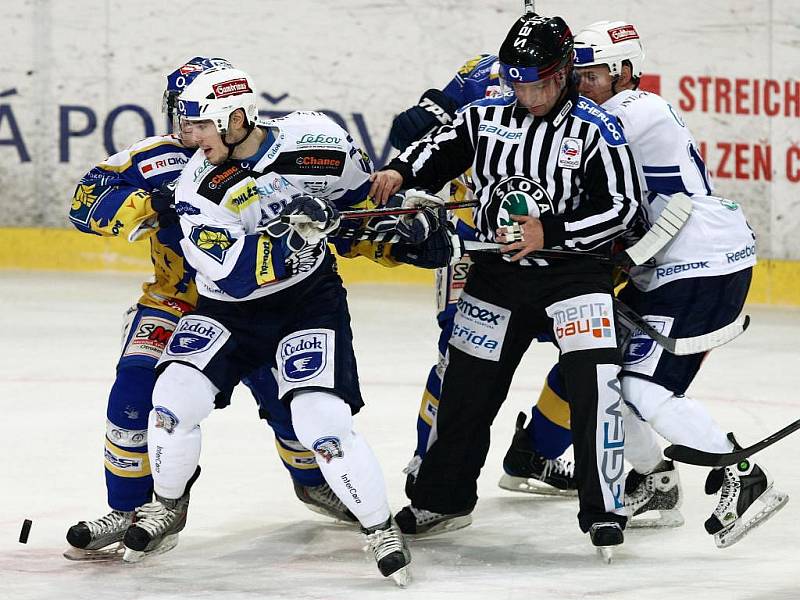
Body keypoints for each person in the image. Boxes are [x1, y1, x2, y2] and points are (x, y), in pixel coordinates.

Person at [121, 65, 418, 585]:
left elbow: (355, 210)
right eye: (185, 126)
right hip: (228, 312)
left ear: (236, 116)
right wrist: (300, 236)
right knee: (172, 400)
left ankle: (379, 527)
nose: (185, 137)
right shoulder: (196, 186)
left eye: (197, 126)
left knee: (319, 422)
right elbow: (236, 278)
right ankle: (165, 506)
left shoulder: (318, 141)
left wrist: (398, 230)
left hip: (307, 303)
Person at [64, 58, 356, 562]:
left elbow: (344, 217)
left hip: (257, 304)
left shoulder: (283, 154)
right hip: (175, 301)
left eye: (195, 117)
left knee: (287, 401)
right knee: (133, 388)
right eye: (181, 116)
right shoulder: (155, 158)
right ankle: (131, 508)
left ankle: (313, 481)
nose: (186, 129)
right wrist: (148, 203)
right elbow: (84, 205)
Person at [370, 14, 642, 554]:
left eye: (539, 82)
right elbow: (437, 148)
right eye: (518, 82)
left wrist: (553, 230)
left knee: (593, 386)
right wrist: (402, 172)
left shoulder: (597, 129)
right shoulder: (484, 115)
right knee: (466, 388)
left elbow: (625, 209)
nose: (529, 94)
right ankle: (442, 499)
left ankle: (605, 510)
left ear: (564, 72)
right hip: (497, 273)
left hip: (575, 276)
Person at [570, 20, 788, 545]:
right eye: (574, 75)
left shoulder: (633, 110)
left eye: (591, 74)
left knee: (646, 385)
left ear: (625, 71)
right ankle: (657, 481)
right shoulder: (616, 110)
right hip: (668, 262)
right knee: (607, 381)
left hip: (699, 261)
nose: (580, 85)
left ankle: (743, 475)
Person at [389, 55, 577, 499]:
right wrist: (422, 126)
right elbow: (417, 128)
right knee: (455, 358)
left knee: (590, 353)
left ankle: (536, 452)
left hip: (556, 248)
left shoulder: (565, 81)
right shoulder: (480, 70)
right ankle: (426, 464)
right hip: (475, 246)